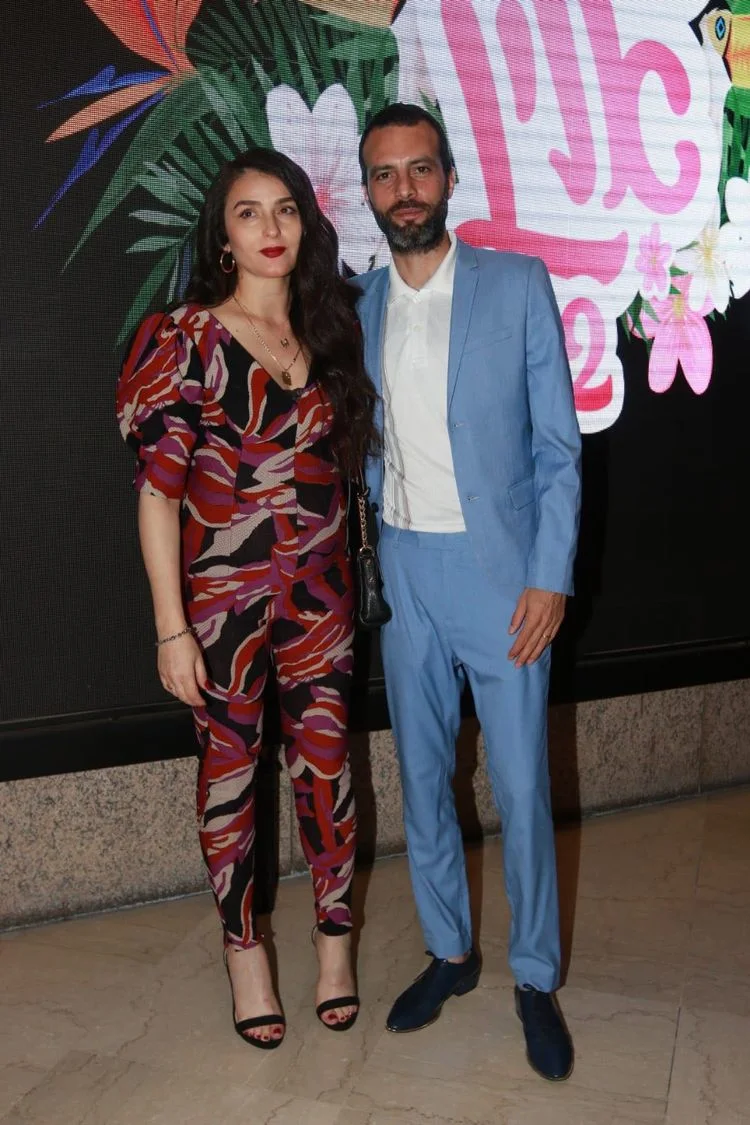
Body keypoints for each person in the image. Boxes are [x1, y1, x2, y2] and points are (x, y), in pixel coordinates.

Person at [116, 148, 379, 1048]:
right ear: (221, 238)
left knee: (328, 769)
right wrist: (171, 630)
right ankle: (246, 955)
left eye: (285, 210)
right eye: (248, 212)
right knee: (231, 779)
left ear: (306, 224)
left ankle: (335, 945)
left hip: (322, 599)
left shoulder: (329, 331)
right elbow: (158, 495)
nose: (271, 228)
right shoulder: (184, 338)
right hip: (221, 609)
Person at [355, 104, 582, 1081]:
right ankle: (451, 952)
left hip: (502, 576)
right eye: (384, 174)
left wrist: (549, 576)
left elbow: (558, 449)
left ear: (449, 178)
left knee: (523, 786)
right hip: (405, 571)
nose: (403, 189)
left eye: (419, 169)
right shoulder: (358, 305)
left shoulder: (517, 285)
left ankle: (534, 975)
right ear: (368, 191)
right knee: (422, 777)